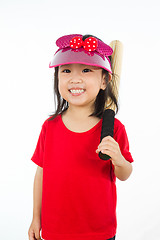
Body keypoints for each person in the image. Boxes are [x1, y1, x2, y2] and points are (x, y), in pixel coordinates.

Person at [28, 34, 134, 240]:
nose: (75, 78)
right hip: (55, 230)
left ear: (105, 81)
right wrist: (35, 217)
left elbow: (124, 173)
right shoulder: (49, 127)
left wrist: (118, 158)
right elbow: (40, 174)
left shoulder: (113, 129)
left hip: (99, 231)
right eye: (66, 70)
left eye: (86, 70)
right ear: (57, 78)